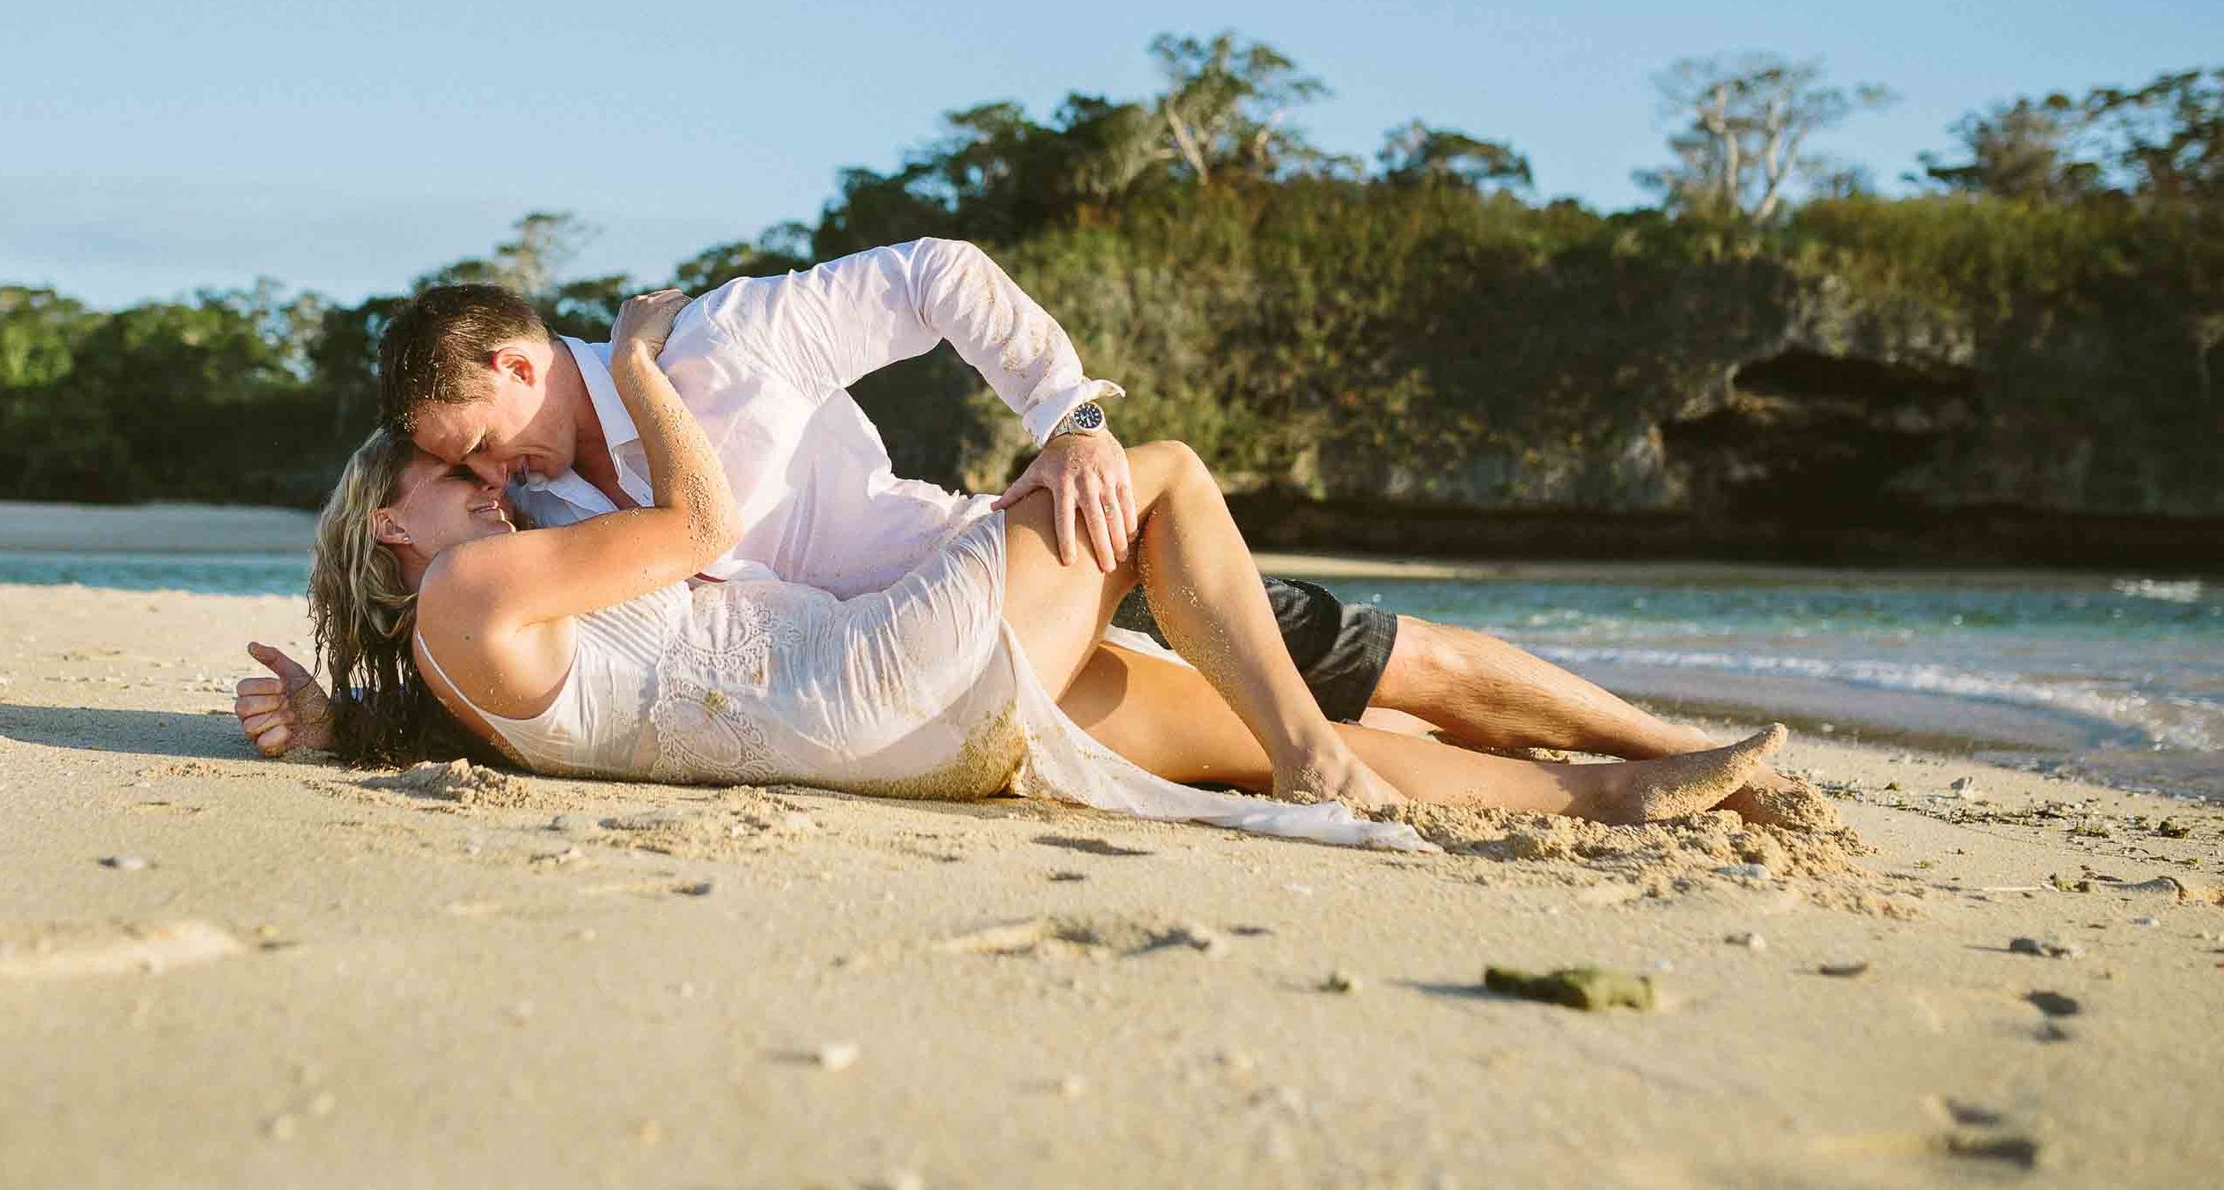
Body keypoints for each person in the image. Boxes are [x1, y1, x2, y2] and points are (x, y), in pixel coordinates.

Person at [236, 238, 1819, 828]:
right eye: (465, 472)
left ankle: (1659, 748)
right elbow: (532, 667)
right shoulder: (546, 520)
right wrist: (350, 716)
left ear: (520, 361)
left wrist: (1067, 419)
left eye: (485, 444)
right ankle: (1606, 797)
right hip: (940, 664)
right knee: (1253, 739)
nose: (495, 480)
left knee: (1389, 659)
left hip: (1011, 557)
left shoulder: (731, 334)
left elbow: (940, 275)